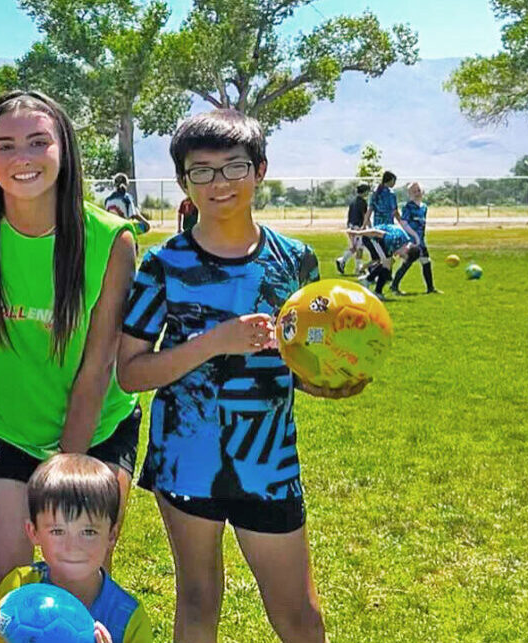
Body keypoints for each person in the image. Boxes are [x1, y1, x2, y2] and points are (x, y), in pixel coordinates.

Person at [117, 109, 361, 643]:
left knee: (299, 613)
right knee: (199, 600)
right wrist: (213, 343)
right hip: (186, 462)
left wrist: (325, 382)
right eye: (200, 171)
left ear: (261, 170)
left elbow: (298, 361)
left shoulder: (293, 261)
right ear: (183, 182)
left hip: (268, 463)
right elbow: (130, 373)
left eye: (233, 167)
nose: (219, 183)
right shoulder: (163, 265)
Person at [0, 90, 140, 637]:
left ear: (63, 150)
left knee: (77, 566)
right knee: (2, 567)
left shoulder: (111, 239)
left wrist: (65, 474)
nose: (22, 157)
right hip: (5, 423)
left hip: (98, 425)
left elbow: (99, 364)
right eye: (5, 146)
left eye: (37, 142)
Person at [0, 454, 154, 643]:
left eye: (88, 532)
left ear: (111, 536)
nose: (73, 546)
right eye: (58, 531)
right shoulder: (18, 588)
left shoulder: (128, 619)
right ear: (34, 532)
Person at [390, 182, 441, 295]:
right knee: (407, 262)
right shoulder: (408, 207)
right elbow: (404, 223)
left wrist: (420, 238)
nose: (417, 193)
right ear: (409, 193)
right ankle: (394, 286)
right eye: (414, 191)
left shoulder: (424, 207)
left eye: (418, 190)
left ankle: (430, 288)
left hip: (421, 241)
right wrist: (414, 236)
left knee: (426, 261)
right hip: (412, 240)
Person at [335, 184, 371, 274]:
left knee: (354, 247)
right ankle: (357, 268)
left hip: (351, 226)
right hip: (358, 227)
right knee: (359, 248)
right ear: (365, 191)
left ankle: (342, 260)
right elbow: (365, 216)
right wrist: (369, 227)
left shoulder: (353, 201)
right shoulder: (362, 202)